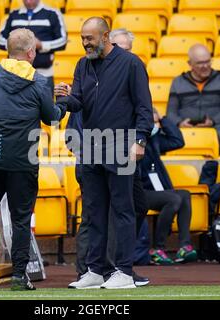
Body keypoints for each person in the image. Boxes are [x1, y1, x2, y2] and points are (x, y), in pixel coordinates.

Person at [0, 28, 66, 292]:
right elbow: (52, 118)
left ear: (9, 50)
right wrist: (63, 102)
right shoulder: (40, 82)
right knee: (20, 219)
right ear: (31, 52)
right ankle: (20, 276)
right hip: (22, 161)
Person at [55, 18, 153, 289]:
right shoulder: (82, 64)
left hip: (121, 145)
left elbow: (144, 106)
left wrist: (141, 139)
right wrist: (64, 97)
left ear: (106, 36)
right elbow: (79, 103)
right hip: (91, 147)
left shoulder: (131, 63)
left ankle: (123, 270)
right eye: (82, 38)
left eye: (90, 38)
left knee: (123, 209)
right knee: (94, 211)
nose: (85, 43)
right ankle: (96, 270)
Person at [140, 108, 198, 265]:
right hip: (140, 191)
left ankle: (184, 246)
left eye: (154, 121)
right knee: (173, 199)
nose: (154, 125)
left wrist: (163, 119)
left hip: (157, 191)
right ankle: (157, 248)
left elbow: (178, 141)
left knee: (184, 194)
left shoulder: (155, 139)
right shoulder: (135, 140)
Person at [166, 44, 220, 154]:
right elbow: (171, 112)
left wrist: (213, 121)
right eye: (200, 63)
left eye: (208, 61)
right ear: (190, 64)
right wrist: (179, 123)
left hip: (214, 125)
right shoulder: (178, 82)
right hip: (185, 126)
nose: (205, 66)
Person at [0, 0, 67, 94]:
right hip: (15, 74)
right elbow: (0, 40)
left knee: (44, 107)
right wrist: (18, 44)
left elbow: (63, 41)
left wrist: (41, 45)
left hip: (43, 73)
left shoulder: (52, 13)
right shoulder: (13, 14)